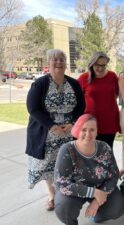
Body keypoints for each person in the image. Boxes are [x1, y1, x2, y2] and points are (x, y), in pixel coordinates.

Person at [25, 49, 85, 211]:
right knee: (48, 166)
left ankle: (64, 192)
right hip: (47, 132)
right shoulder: (41, 83)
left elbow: (81, 107)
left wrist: (73, 123)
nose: (58, 62)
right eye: (55, 59)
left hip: (68, 132)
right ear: (48, 63)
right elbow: (32, 108)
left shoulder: (74, 84)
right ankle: (52, 195)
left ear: (66, 64)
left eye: (61, 60)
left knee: (66, 163)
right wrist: (51, 126)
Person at [54, 114, 124, 225]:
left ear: (97, 132)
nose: (88, 134)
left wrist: (97, 201)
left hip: (100, 187)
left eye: (92, 130)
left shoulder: (105, 147)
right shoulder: (67, 149)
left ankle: (96, 216)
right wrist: (93, 192)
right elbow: (61, 183)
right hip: (76, 191)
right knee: (63, 207)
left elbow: (114, 175)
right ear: (77, 130)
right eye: (84, 130)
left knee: (117, 208)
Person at [78, 51, 120, 149]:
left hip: (109, 122)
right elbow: (77, 100)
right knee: (90, 152)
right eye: (97, 65)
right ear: (92, 63)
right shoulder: (83, 78)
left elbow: (116, 93)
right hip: (90, 123)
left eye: (103, 65)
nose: (100, 68)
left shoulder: (112, 76)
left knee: (107, 151)